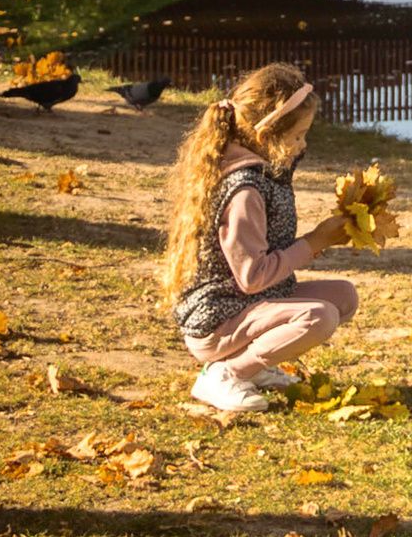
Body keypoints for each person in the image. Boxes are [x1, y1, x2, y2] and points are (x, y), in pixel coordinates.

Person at [156, 63, 366, 419]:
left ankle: (255, 365)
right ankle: (226, 373)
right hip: (218, 319)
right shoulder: (246, 189)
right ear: (267, 136)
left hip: (245, 305)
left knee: (344, 297)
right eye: (298, 135)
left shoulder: (265, 171)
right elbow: (252, 276)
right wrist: (315, 241)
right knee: (321, 317)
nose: (303, 144)